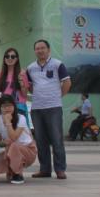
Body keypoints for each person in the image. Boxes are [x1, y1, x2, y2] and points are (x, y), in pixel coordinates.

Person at [26, 39, 71, 180]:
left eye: (42, 48)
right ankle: (44, 169)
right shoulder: (30, 68)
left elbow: (67, 82)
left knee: (57, 139)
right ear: (35, 51)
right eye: (37, 48)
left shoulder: (58, 64)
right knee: (40, 140)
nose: (40, 50)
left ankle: (60, 169)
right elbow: (30, 86)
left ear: (48, 50)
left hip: (54, 108)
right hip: (36, 109)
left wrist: (58, 96)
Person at [0, 94, 37, 185]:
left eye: (9, 105)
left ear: (14, 106)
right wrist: (4, 143)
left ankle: (18, 174)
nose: (7, 108)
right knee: (2, 152)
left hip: (28, 150)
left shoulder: (21, 118)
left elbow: (14, 137)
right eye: (4, 106)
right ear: (0, 107)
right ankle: (3, 171)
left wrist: (8, 122)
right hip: (10, 149)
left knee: (13, 146)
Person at [0, 48, 31, 127]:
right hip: (5, 108)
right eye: (7, 56)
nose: (10, 58)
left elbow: (25, 94)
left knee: (22, 131)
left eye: (13, 56)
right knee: (6, 130)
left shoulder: (22, 73)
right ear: (4, 59)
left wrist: (21, 83)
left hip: (19, 107)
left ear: (17, 59)